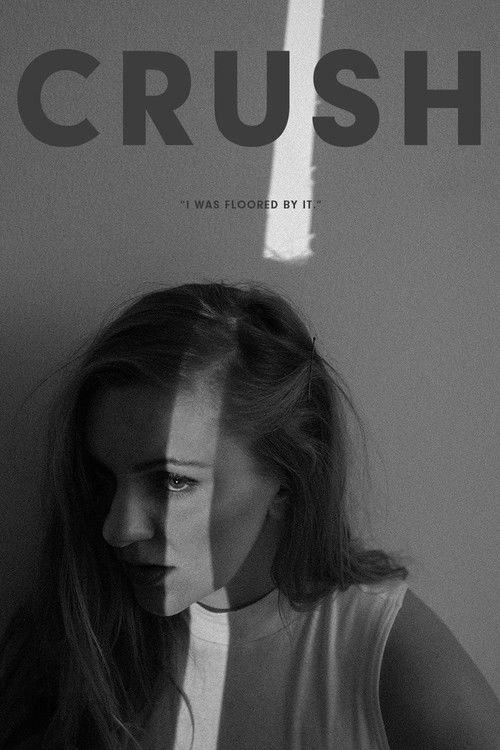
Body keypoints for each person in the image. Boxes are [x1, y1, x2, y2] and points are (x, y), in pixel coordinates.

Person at [1, 282, 499, 750]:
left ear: (289, 473)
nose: (117, 529)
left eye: (173, 481)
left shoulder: (381, 650)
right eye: (103, 479)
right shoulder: (75, 634)